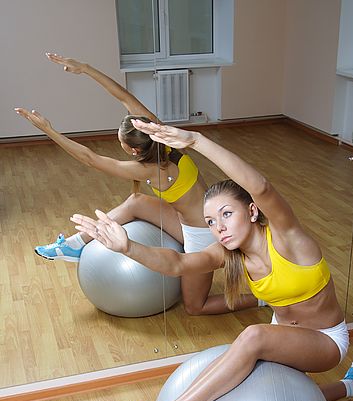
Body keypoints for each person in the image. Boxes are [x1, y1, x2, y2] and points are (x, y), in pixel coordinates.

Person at [70, 121, 353, 401]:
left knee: (252, 337)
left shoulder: (289, 240)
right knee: (250, 395)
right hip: (285, 335)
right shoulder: (230, 256)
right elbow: (176, 264)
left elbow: (262, 186)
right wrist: (128, 248)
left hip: (326, 340)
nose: (219, 228)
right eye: (211, 222)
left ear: (253, 211)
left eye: (227, 214)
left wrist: (196, 140)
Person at [14, 52, 261, 315]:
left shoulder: (150, 170)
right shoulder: (162, 134)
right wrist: (85, 68)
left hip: (202, 235)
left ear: (133, 150)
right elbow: (123, 96)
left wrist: (49, 130)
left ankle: (261, 299)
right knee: (136, 202)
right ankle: (74, 244)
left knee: (195, 307)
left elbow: (90, 159)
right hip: (193, 217)